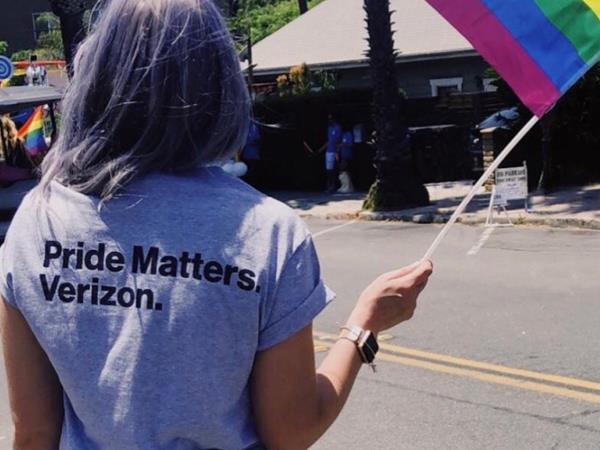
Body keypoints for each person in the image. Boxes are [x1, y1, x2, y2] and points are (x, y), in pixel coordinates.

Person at [0, 1, 433, 449]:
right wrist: (364, 326)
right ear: (219, 85)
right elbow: (292, 430)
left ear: (98, 77)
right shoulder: (268, 232)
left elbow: (33, 434)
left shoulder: (37, 221)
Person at [325, 114, 342, 192]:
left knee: (335, 169)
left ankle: (334, 186)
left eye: (331, 119)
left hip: (334, 151)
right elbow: (329, 141)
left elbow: (338, 140)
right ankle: (329, 186)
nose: (330, 120)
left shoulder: (338, 127)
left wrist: (336, 151)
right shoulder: (329, 128)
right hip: (328, 151)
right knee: (329, 170)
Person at [337, 128, 355, 193]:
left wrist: (343, 144)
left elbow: (350, 144)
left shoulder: (349, 134)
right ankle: (345, 186)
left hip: (347, 155)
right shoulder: (343, 134)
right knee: (344, 170)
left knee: (344, 170)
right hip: (343, 154)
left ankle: (348, 187)